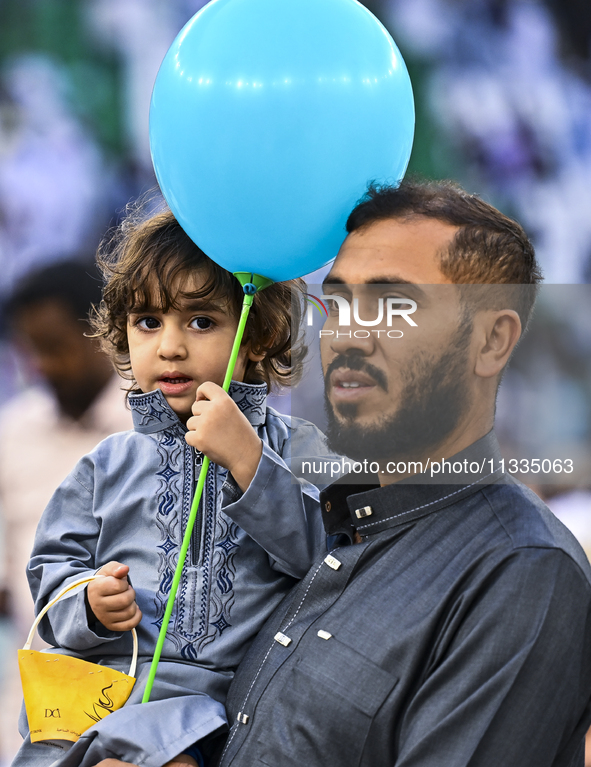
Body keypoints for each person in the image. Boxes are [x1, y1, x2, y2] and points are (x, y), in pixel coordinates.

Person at [92, 179, 591, 767]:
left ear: (492, 340)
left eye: (392, 306)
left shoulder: (519, 572)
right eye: (339, 304)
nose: (349, 335)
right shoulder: (318, 519)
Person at [12, 207, 329, 767]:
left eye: (201, 321)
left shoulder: (296, 450)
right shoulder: (107, 463)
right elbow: (48, 574)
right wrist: (87, 602)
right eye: (148, 322)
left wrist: (248, 460)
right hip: (101, 693)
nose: (170, 346)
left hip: (213, 710)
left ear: (258, 334)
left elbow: (325, 561)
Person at [0, 261, 133, 764]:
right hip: (33, 707)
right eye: (30, 350)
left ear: (101, 332)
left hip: (136, 703)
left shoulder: (156, 432)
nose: (42, 366)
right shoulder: (13, 434)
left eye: (55, 347)